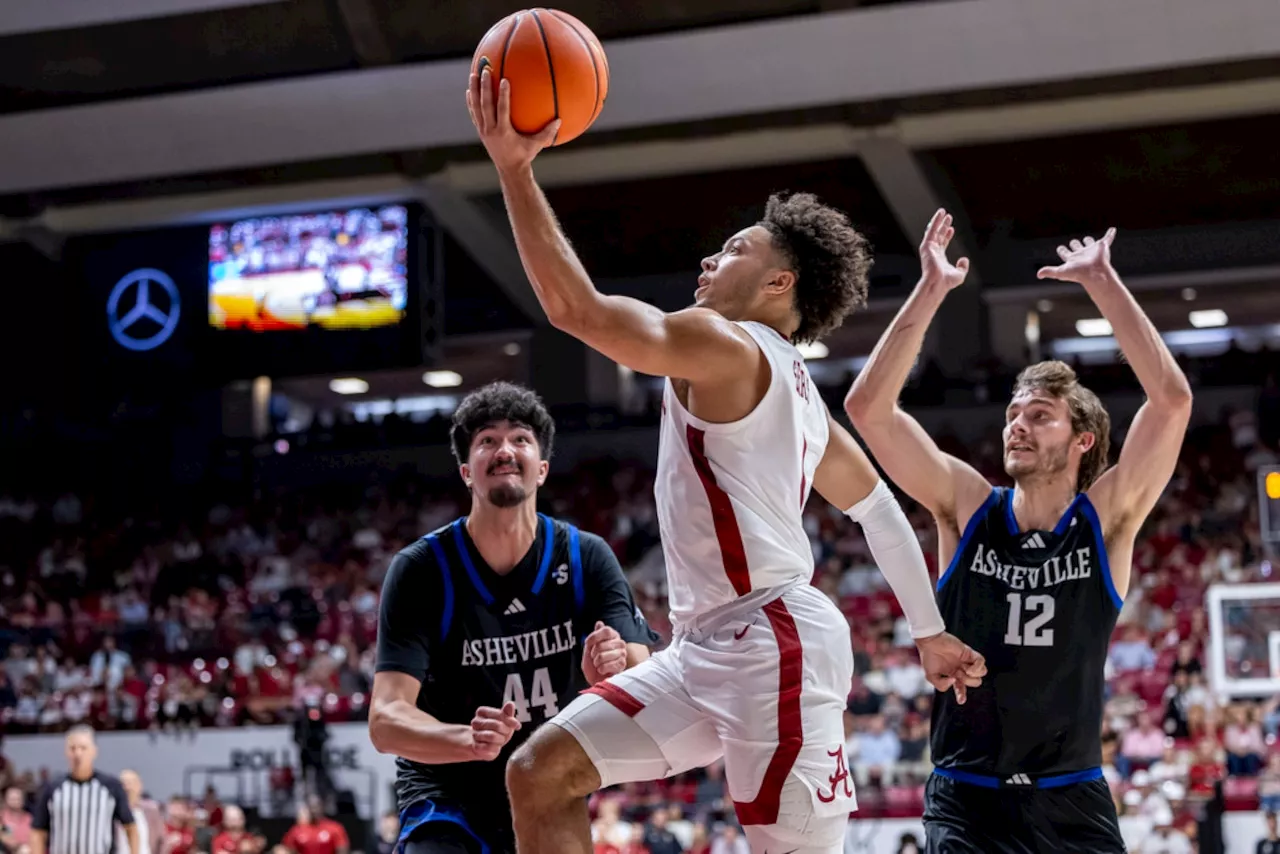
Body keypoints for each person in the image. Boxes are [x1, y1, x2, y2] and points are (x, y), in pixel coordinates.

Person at [466, 68, 985, 854]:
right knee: (538, 771)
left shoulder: (724, 343)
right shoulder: (803, 393)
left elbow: (576, 311)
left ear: (779, 281)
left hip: (772, 641)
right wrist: (927, 630)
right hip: (706, 646)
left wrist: (513, 170)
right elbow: (877, 509)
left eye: (734, 249)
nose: (711, 259)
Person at [845, 213, 1192, 852]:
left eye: (1040, 416)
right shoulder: (968, 506)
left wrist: (1104, 283)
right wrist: (930, 290)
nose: (1017, 426)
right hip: (965, 793)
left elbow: (1171, 401)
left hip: (1070, 793)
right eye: (1012, 414)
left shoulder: (1106, 519)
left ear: (1083, 440)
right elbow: (868, 409)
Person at [369, 382, 660, 854]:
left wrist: (610, 674)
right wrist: (467, 739)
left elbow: (640, 676)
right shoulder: (421, 570)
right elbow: (385, 721)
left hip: (548, 782)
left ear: (542, 469)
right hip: (447, 794)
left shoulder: (587, 557)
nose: (505, 449)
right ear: (467, 472)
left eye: (520, 438)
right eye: (487, 440)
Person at [30, 726, 138, 854]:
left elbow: (130, 827)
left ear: (94, 751)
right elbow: (38, 831)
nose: (78, 754)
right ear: (66, 752)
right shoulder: (52, 788)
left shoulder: (111, 786)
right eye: (72, 748)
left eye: (83, 748)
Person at [117, 771, 163, 854]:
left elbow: (161, 841)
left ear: (139, 785)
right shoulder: (113, 812)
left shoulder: (151, 812)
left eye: (131, 783)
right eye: (123, 783)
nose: (127, 787)